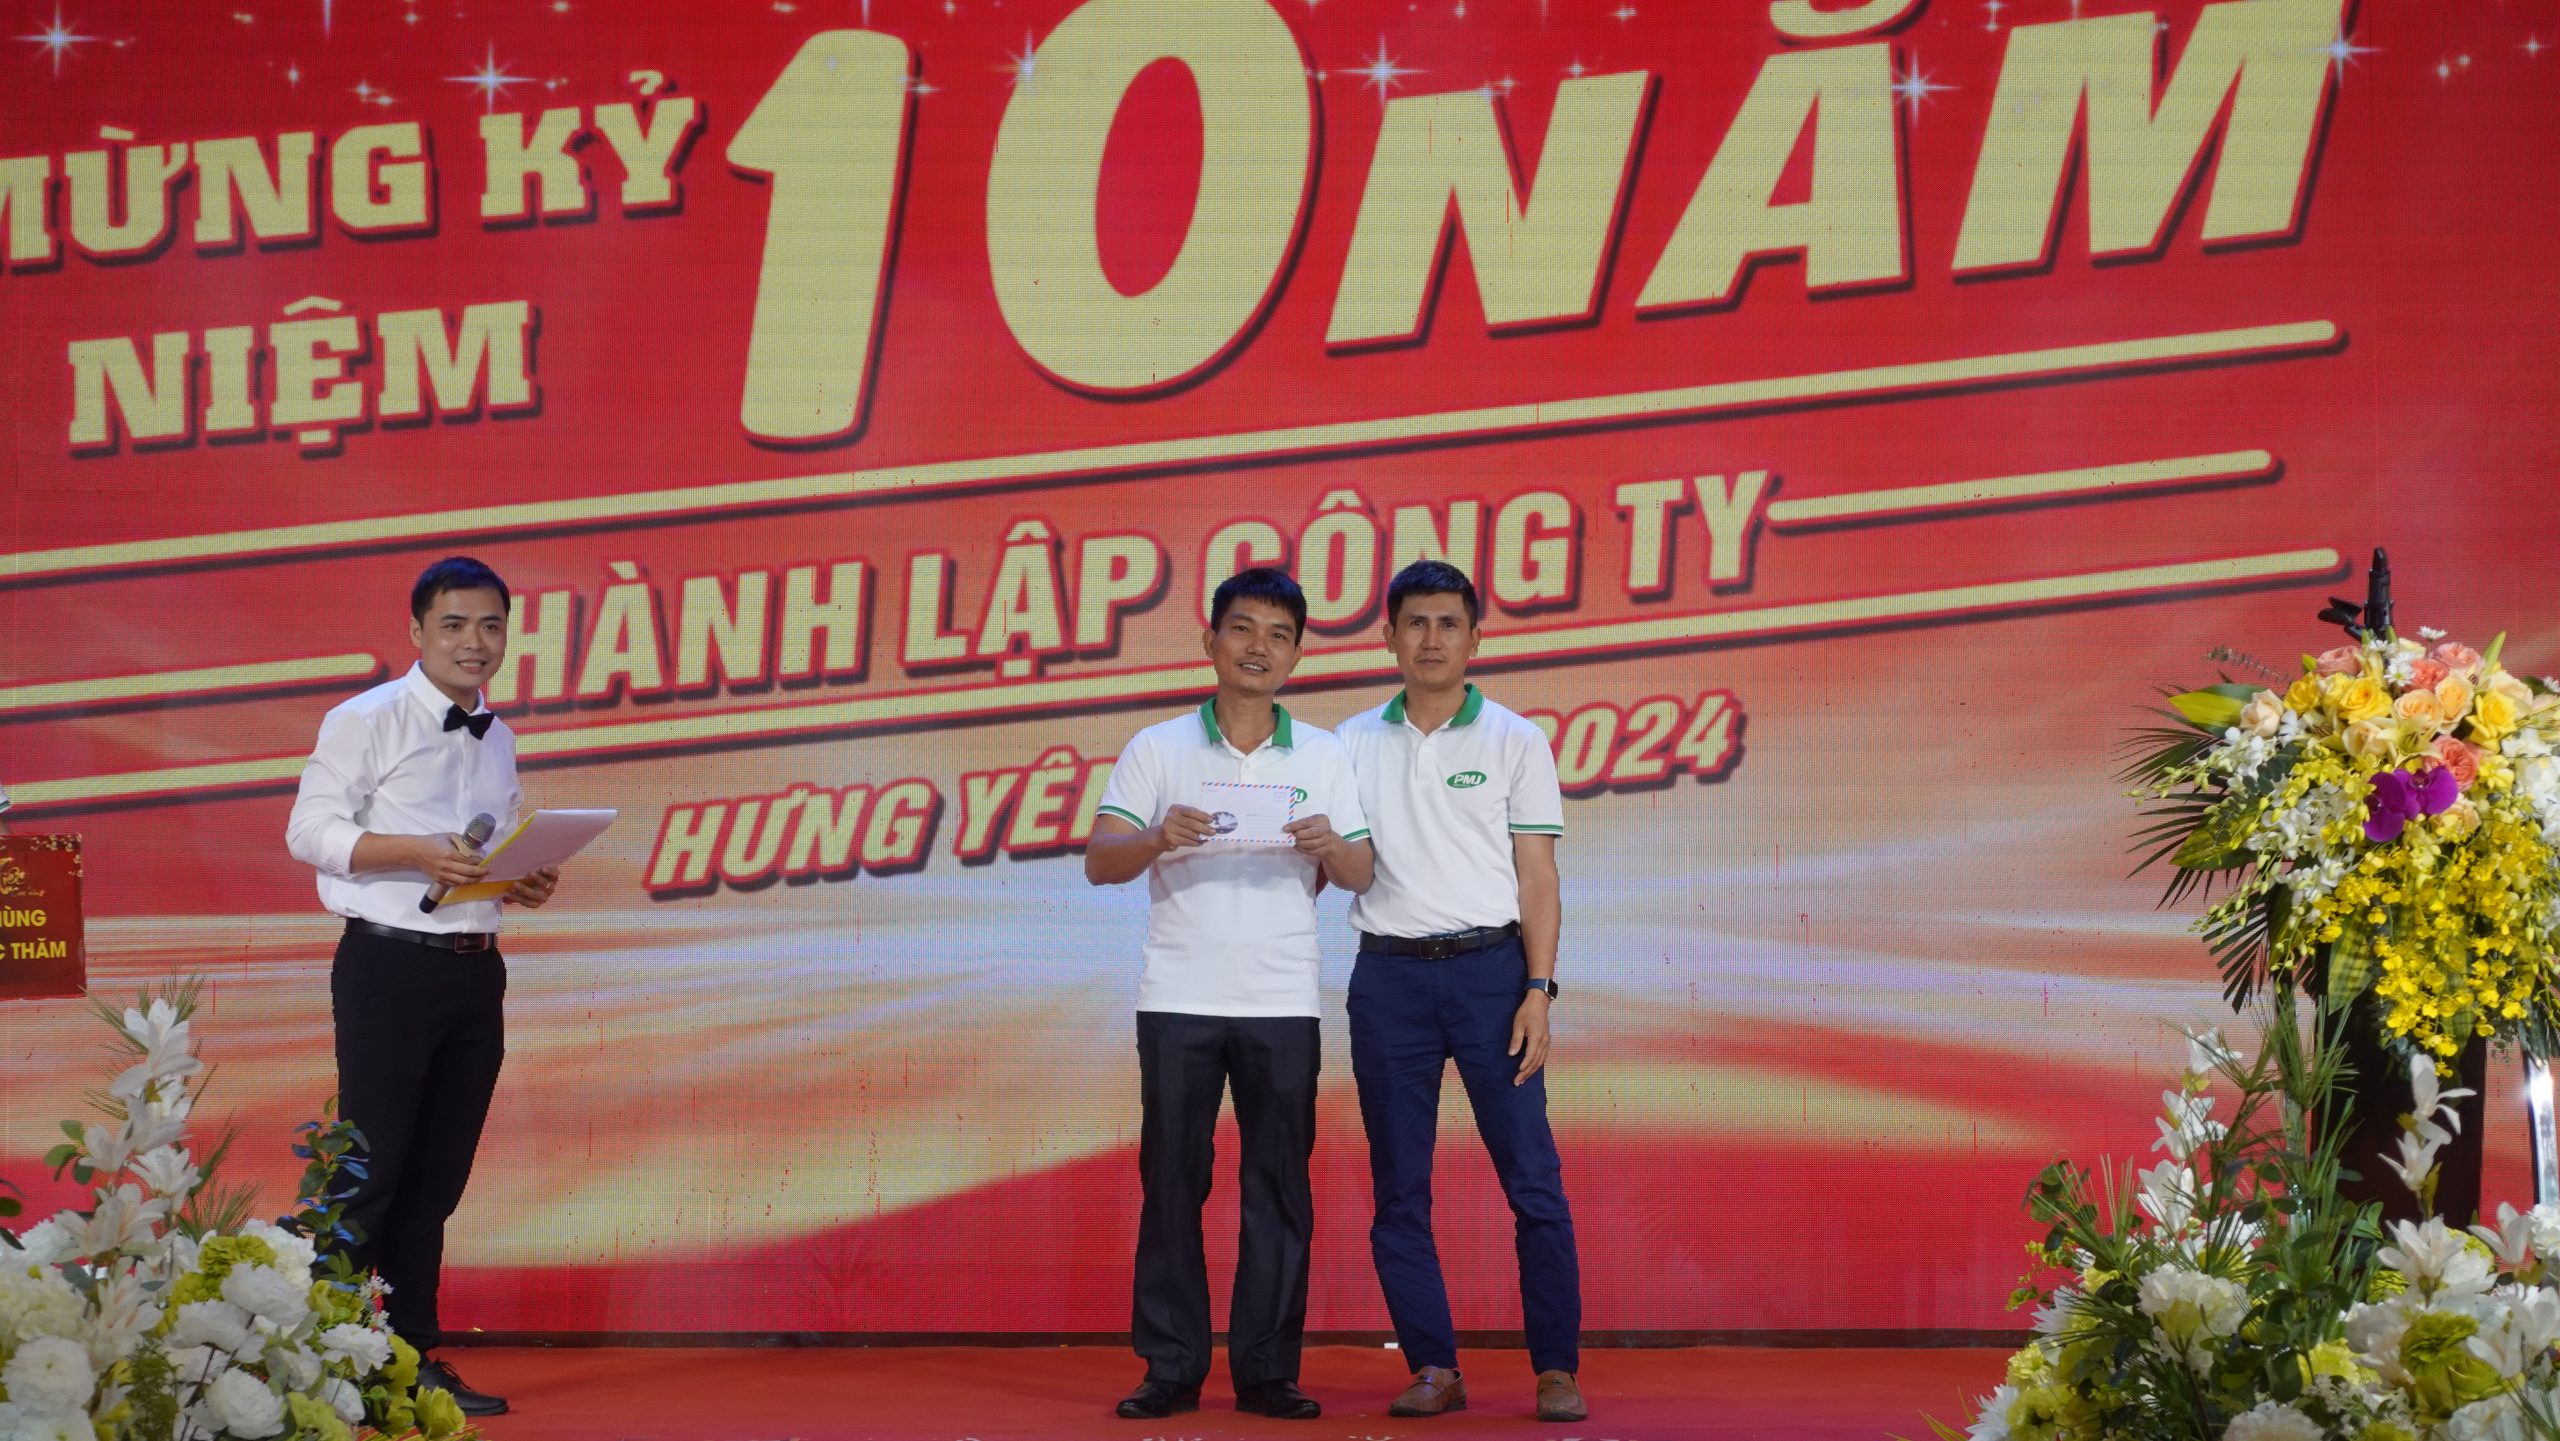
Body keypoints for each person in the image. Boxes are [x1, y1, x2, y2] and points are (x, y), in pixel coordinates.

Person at [1085, 567, 1375, 1421]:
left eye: (1279, 635)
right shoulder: (1157, 747)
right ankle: (1171, 1366)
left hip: (1282, 998)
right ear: (1210, 640)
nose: (1259, 647)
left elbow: (1361, 870)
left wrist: (1329, 844)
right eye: (1243, 628)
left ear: (1297, 655)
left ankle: (1267, 1370)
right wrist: (1155, 836)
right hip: (1178, 994)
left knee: (1278, 1187)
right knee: (1172, 1181)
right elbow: (1100, 860)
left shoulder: (1323, 753)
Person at [285, 556, 561, 1419]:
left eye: (490, 626)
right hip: (389, 965)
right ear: (416, 631)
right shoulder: (364, 717)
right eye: (454, 624)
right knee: (371, 1166)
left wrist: (521, 877)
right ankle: (317, 1354)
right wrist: (412, 849)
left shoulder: (499, 735)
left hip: (476, 970)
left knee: (437, 1176)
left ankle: (406, 1358)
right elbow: (309, 831)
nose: (474, 642)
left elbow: (483, 850)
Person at [1338, 560, 1585, 1423]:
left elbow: (1539, 875)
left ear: (1476, 638)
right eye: (1416, 622)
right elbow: (1343, 861)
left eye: (1449, 623)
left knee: (1533, 1179)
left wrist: (1538, 990)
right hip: (1388, 981)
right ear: (1389, 636)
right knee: (1399, 1187)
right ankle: (1433, 1366)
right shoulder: (1348, 742)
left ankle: (1555, 1368)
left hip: (1492, 977)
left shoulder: (1516, 739)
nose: (1432, 638)